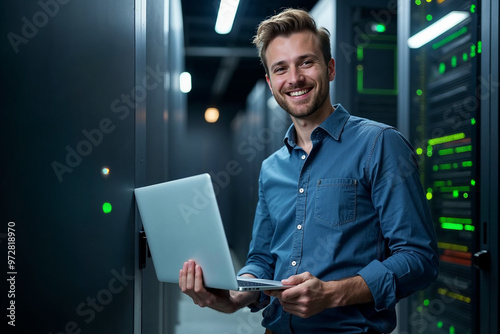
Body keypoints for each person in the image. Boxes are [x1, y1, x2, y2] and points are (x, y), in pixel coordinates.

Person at [179, 8, 439, 334]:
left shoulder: (380, 144)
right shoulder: (271, 168)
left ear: (329, 68)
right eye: (280, 69)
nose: (294, 79)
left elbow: (419, 258)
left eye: (306, 62)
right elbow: (261, 259)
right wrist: (234, 295)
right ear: (270, 82)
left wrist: (330, 294)